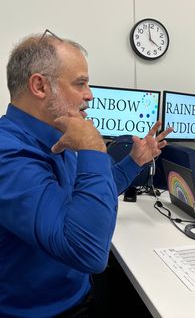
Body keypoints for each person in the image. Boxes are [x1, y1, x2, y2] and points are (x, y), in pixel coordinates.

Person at [0, 31, 172, 318]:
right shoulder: (8, 153)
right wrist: (93, 146)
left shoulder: (55, 134)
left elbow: (77, 201)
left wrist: (133, 161)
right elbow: (88, 252)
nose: (89, 95)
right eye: (80, 83)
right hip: (42, 313)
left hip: (78, 295)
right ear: (39, 86)